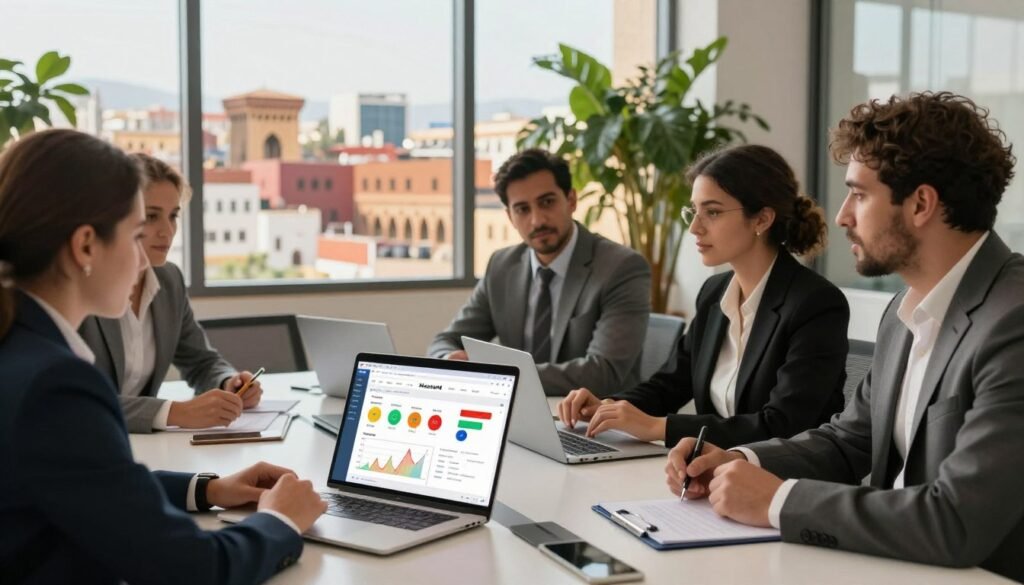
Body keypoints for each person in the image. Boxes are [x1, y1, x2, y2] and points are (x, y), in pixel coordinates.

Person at [665, 92, 1024, 581]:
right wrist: (736, 460)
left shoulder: (1012, 322)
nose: (842, 217)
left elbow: (956, 520)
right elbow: (848, 440)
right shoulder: (904, 312)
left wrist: (778, 501)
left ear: (921, 203)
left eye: (859, 194)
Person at [0, 129, 326, 584]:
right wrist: (281, 522)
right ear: (86, 246)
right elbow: (194, 569)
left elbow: (88, 484)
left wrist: (209, 488)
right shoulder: (55, 383)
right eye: (137, 233)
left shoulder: (18, 346)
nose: (145, 256)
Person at [559, 144, 849, 449]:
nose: (695, 228)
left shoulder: (815, 304)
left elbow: (782, 424)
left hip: (784, 482)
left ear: (762, 219)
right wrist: (606, 406)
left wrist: (660, 427)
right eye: (694, 212)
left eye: (712, 212)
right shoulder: (715, 294)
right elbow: (669, 385)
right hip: (712, 475)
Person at [428, 148, 651, 396]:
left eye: (547, 202)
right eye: (522, 209)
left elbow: (603, 373)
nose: (537, 220)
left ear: (571, 200)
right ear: (510, 217)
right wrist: (450, 358)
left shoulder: (621, 267)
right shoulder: (502, 266)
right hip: (519, 415)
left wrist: (500, 375)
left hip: (593, 423)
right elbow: (445, 341)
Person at [80, 153, 262, 433]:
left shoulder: (169, 279)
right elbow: (76, 402)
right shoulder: (82, 287)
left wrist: (229, 383)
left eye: (173, 216)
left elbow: (201, 361)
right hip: (88, 442)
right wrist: (174, 412)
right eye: (151, 217)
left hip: (144, 447)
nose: (168, 231)